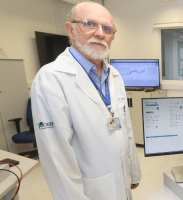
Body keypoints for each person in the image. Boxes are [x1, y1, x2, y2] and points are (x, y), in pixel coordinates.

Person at [31, 2, 141, 200]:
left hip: (121, 180)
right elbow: (57, 158)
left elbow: (126, 128)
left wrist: (133, 171)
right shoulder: (51, 78)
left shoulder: (114, 75)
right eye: (90, 24)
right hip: (90, 190)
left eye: (107, 29)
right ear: (71, 30)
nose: (100, 33)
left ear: (112, 36)